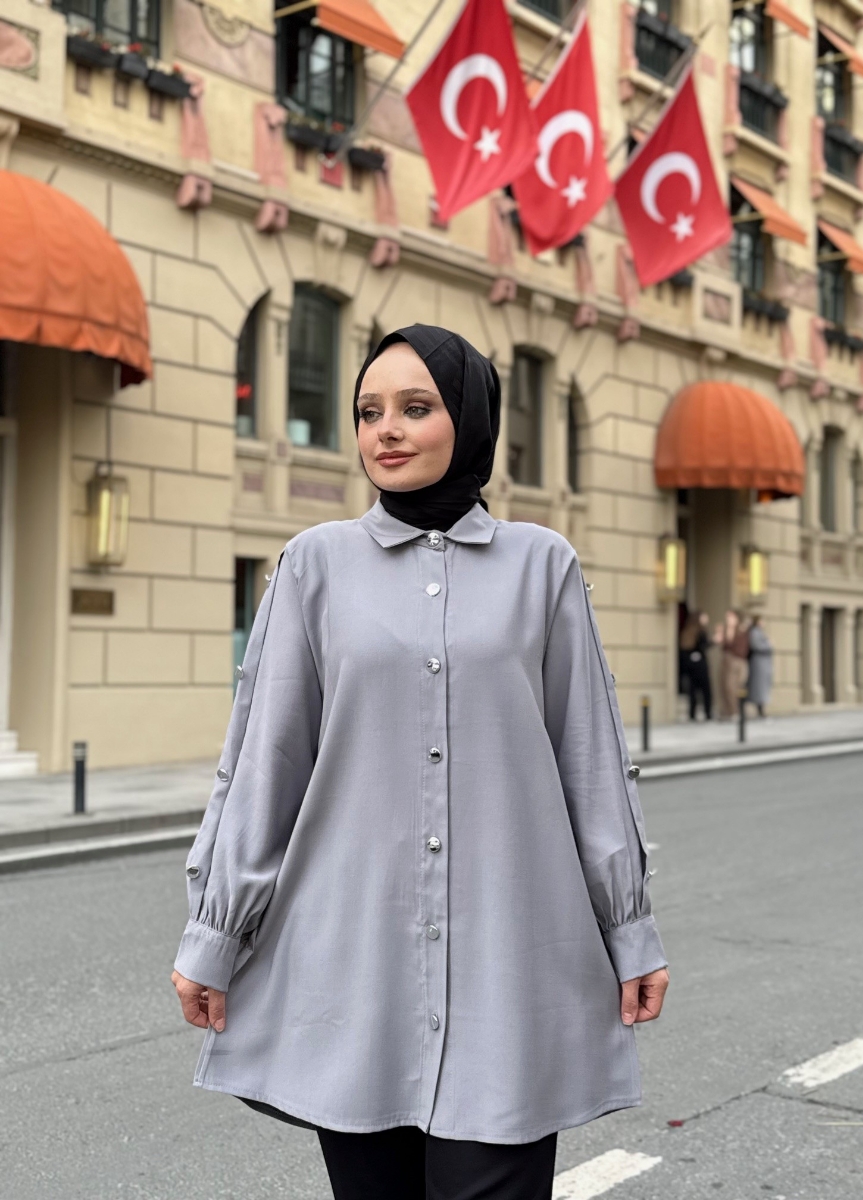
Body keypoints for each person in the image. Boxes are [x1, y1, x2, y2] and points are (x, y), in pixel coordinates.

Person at [170, 325, 669, 1200]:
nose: (386, 430)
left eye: (415, 407)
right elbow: (263, 766)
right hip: (354, 972)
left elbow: (589, 761)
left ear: (468, 419)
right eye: (368, 412)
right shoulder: (314, 566)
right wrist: (214, 935)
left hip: (509, 972)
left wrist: (629, 929)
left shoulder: (542, 566)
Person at [715, 608, 749, 719]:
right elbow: (723, 645)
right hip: (726, 661)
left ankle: (736, 711)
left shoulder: (742, 630)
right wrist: (720, 634)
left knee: (734, 687)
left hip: (738, 661)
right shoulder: (725, 630)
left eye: (730, 617)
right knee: (724, 687)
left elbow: (741, 647)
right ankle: (728, 711)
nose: (728, 619)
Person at [680, 611, 712, 721]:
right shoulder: (700, 632)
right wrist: (714, 641)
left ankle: (692, 714)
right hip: (700, 665)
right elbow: (704, 646)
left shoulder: (687, 631)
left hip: (691, 665)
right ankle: (707, 713)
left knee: (693, 690)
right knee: (705, 690)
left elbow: (684, 650)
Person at [747, 614, 774, 718]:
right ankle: (760, 709)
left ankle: (761, 708)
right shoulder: (754, 632)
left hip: (763, 663)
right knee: (759, 687)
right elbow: (756, 645)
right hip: (759, 663)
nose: (763, 623)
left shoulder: (759, 632)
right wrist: (768, 645)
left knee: (763, 686)